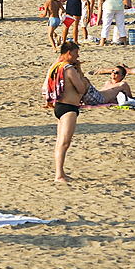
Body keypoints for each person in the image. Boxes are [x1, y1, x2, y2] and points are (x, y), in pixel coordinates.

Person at [45, 42, 87, 183]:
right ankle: (58, 175)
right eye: (76, 53)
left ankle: (61, 172)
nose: (78, 56)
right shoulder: (68, 69)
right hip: (68, 107)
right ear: (69, 53)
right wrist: (80, 71)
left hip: (60, 106)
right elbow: (81, 88)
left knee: (60, 142)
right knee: (64, 143)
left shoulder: (56, 66)